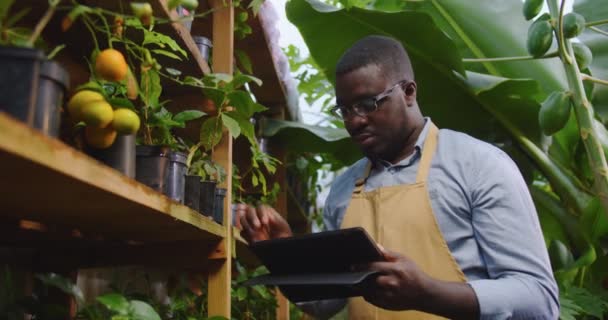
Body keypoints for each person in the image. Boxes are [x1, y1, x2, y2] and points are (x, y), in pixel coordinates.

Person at [236, 35, 559, 319]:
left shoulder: (478, 165)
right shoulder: (343, 190)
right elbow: (324, 305)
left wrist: (428, 293)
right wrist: (281, 252)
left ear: (408, 92)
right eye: (345, 110)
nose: (354, 121)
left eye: (367, 104)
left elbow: (538, 298)